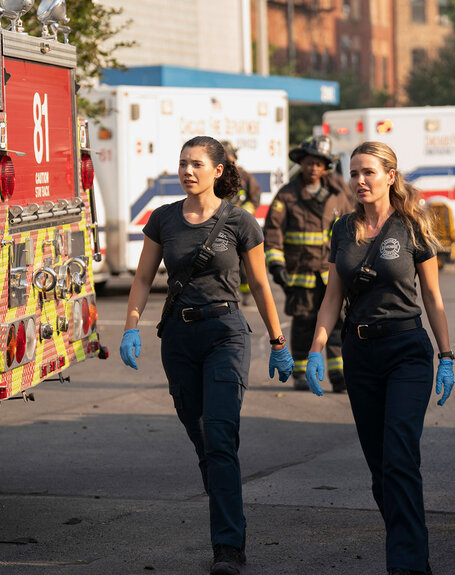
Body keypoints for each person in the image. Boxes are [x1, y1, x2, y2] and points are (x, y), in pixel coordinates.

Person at [119, 135, 294, 575]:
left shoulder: (239, 221)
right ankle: (225, 505)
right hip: (178, 338)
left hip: (225, 334)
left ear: (218, 170)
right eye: (182, 163)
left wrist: (277, 341)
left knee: (219, 436)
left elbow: (258, 284)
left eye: (196, 163)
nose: (187, 171)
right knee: (203, 441)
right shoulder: (163, 219)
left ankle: (228, 548)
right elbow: (142, 278)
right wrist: (130, 326)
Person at [304, 141, 455, 575]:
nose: (360, 181)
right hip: (360, 352)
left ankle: (405, 564)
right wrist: (317, 348)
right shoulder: (343, 228)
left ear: (391, 175)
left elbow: (432, 295)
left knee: (399, 457)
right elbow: (332, 297)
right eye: (354, 173)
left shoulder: (413, 226)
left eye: (369, 172)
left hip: (406, 350)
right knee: (378, 465)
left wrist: (445, 355)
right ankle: (410, 548)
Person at [264, 135, 353, 392]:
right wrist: (276, 265)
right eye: (309, 162)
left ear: (326, 167)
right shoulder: (287, 195)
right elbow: (273, 232)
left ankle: (339, 375)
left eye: (318, 163)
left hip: (332, 273)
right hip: (300, 273)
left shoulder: (339, 194)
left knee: (337, 324)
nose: (313, 168)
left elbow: (352, 227)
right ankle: (300, 374)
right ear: (301, 163)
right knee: (303, 324)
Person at [221, 140, 262, 303]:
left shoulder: (244, 176)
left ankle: (246, 293)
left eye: (228, 155)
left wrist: (244, 212)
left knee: (246, 264)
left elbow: (255, 196)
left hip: (240, 224)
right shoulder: (215, 176)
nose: (226, 158)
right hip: (221, 224)